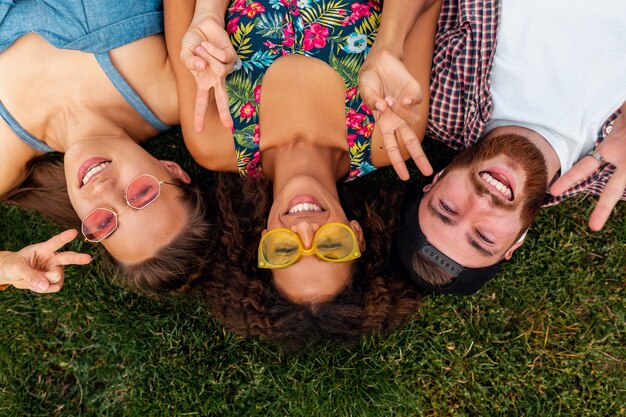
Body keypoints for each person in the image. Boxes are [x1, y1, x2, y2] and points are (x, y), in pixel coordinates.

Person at [164, 0, 440, 345]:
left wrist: (208, 15)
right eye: (331, 246)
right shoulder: (391, 133)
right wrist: (389, 45)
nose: (306, 229)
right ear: (356, 235)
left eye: (284, 250)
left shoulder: (213, 139)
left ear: (262, 240)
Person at [394, 0, 626, 295]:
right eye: (484, 236)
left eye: (447, 207)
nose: (481, 202)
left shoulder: (432, 97)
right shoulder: (618, 171)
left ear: (436, 181)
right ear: (516, 242)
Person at [0, 0, 212, 294]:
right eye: (141, 194)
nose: (103, 190)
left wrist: (5, 266)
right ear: (172, 170)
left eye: (103, 222)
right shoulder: (170, 93)